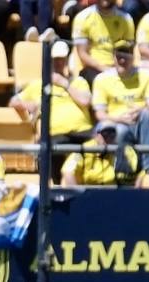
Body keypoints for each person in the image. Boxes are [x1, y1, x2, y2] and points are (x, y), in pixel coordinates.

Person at [10, 40, 93, 183]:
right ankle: (53, 188)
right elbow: (13, 101)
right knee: (49, 148)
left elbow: (85, 101)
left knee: (99, 144)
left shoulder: (78, 82)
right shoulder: (39, 84)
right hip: (56, 134)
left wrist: (65, 84)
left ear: (67, 60)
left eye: (61, 60)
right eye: (55, 60)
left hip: (82, 132)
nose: (58, 63)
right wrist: (28, 105)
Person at [91, 40, 149, 173]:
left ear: (133, 57)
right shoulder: (102, 79)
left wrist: (140, 110)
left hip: (139, 121)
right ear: (113, 57)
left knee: (147, 114)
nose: (122, 59)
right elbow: (100, 114)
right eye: (119, 56)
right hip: (114, 121)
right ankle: (123, 172)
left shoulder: (146, 75)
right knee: (120, 131)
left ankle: (148, 167)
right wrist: (120, 119)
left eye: (126, 55)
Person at [72, 0, 136, 85]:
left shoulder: (126, 19)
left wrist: (120, 69)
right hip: (92, 69)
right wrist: (105, 69)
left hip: (120, 67)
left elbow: (129, 50)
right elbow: (82, 54)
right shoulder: (83, 18)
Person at [61, 119, 138, 184]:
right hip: (87, 193)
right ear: (96, 135)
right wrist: (77, 196)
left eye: (112, 133)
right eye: (105, 133)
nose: (108, 137)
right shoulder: (83, 150)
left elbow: (134, 175)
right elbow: (68, 172)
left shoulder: (120, 151)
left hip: (111, 194)